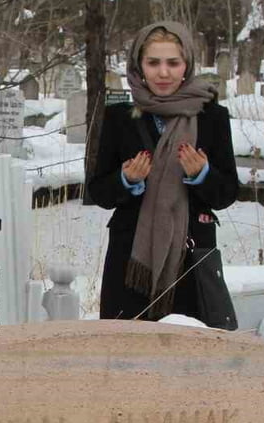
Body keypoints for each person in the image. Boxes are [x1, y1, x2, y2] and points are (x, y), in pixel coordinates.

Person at [86, 21, 238, 322]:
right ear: (139, 65)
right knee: (127, 355)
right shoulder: (119, 118)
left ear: (187, 65)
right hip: (131, 261)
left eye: (173, 62)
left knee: (187, 358)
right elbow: (99, 191)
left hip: (190, 255)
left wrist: (203, 174)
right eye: (153, 62)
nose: (163, 72)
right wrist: (126, 180)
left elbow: (227, 193)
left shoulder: (211, 117)